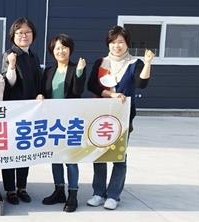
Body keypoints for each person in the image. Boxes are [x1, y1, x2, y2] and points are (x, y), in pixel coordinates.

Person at [87, 25, 154, 210]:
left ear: (127, 44)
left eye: (121, 42)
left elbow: (141, 83)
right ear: (108, 44)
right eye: (113, 42)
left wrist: (148, 63)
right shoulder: (101, 62)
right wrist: (110, 94)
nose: (117, 46)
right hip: (101, 116)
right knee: (100, 155)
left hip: (123, 118)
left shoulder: (134, 63)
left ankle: (113, 195)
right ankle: (98, 193)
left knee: (119, 156)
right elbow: (92, 85)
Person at [40, 34, 86, 212]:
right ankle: (59, 191)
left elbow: (77, 91)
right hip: (53, 121)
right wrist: (40, 95)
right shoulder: (48, 71)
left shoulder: (76, 68)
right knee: (55, 157)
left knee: (70, 159)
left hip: (70, 120)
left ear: (70, 50)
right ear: (53, 51)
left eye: (64, 47)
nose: (61, 51)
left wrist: (80, 72)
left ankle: (72, 195)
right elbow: (43, 91)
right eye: (57, 48)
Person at [1, 17, 43, 205]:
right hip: (13, 111)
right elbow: (8, 83)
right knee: (10, 150)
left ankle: (22, 188)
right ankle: (10, 190)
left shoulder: (34, 56)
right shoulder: (10, 54)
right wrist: (11, 65)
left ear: (33, 35)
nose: (24, 36)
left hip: (30, 111)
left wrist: (40, 94)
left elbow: (38, 81)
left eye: (27, 32)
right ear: (13, 35)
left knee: (25, 149)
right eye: (19, 33)